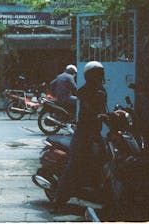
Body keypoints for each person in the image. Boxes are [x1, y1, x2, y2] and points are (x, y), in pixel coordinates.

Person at [52, 61, 108, 212]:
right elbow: (89, 106)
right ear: (90, 75)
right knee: (74, 164)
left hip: (95, 133)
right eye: (96, 73)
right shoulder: (87, 90)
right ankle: (58, 201)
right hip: (84, 133)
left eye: (100, 73)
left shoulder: (99, 90)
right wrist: (98, 115)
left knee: (105, 157)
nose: (99, 76)